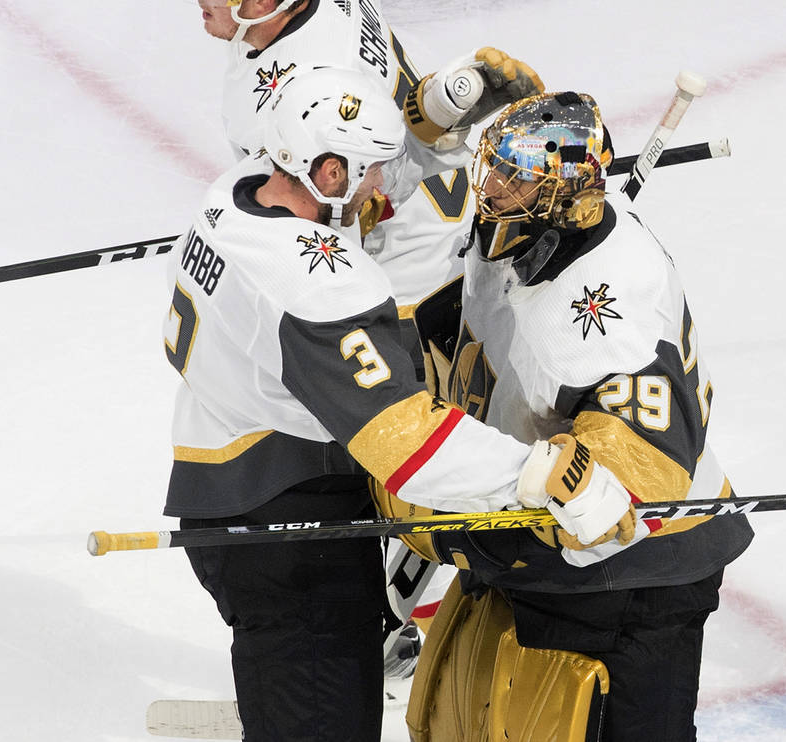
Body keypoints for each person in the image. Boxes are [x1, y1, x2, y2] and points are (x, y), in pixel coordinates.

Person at [161, 68, 643, 742]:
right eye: (371, 172)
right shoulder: (316, 285)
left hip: (228, 478)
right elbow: (408, 441)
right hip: (289, 531)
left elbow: (355, 187)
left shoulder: (239, 191)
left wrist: (433, 119)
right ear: (327, 173)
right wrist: (539, 473)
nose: (387, 188)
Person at [194, 1, 544, 667]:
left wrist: (259, 233)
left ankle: (385, 620)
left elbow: (366, 191)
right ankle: (390, 611)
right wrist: (441, 104)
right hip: (437, 244)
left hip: (394, 278)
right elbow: (392, 125)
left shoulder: (299, 75)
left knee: (398, 451)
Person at [403, 91, 755, 742]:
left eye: (517, 176)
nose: (494, 185)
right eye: (497, 166)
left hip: (643, 563)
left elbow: (645, 460)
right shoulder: (551, 225)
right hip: (578, 554)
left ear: (561, 194)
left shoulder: (603, 323)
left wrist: (578, 470)